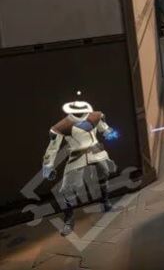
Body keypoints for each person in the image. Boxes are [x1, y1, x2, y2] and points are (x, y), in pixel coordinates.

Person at [42, 95, 119, 236]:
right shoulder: (62, 126)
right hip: (77, 157)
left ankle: (105, 201)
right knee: (68, 189)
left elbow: (105, 129)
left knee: (104, 174)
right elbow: (53, 148)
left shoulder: (95, 117)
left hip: (96, 151)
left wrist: (110, 133)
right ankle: (69, 220)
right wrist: (48, 166)